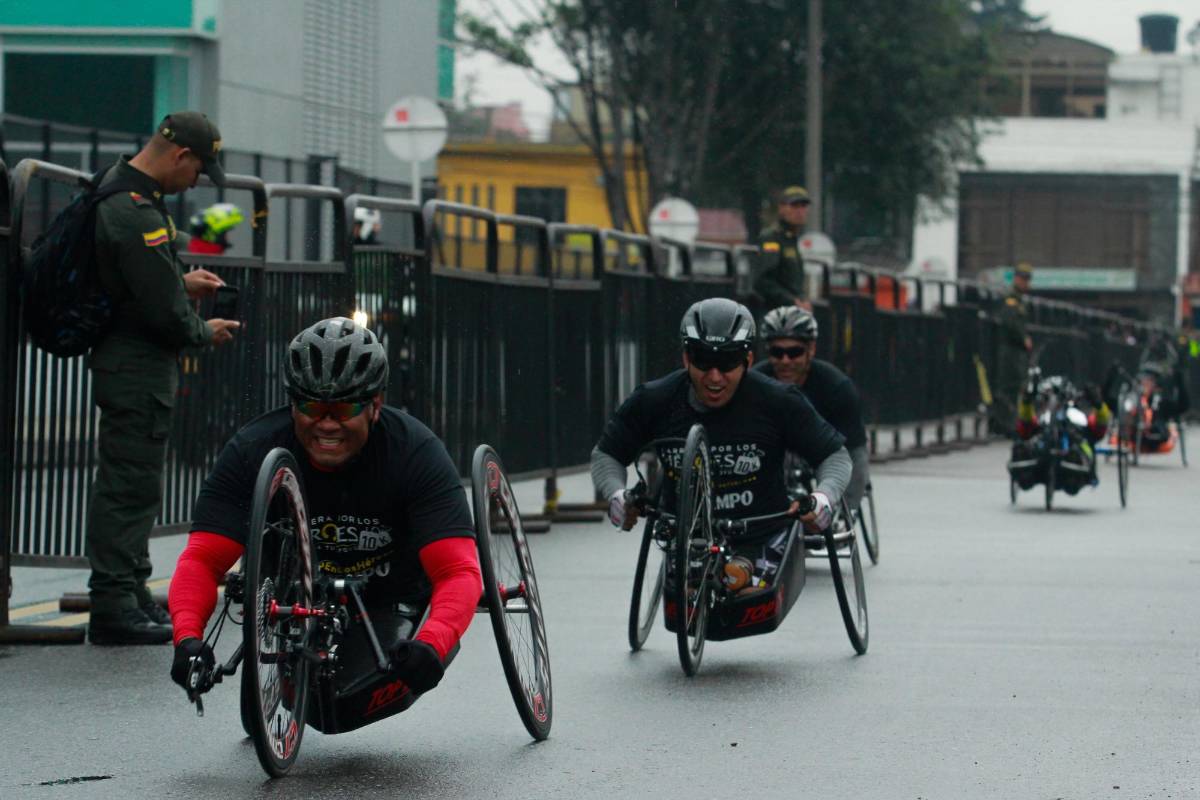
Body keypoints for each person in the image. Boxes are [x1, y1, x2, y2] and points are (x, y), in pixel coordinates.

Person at [168, 317, 481, 702]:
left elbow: (458, 570)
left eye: (345, 407)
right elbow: (203, 558)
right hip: (292, 595)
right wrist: (187, 638)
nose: (327, 424)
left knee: (354, 698)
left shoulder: (416, 453)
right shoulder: (252, 450)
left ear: (375, 406)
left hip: (388, 590)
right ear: (292, 402)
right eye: (312, 406)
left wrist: (433, 642)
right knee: (313, 702)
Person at [86, 111, 242, 646]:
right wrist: (203, 330)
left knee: (138, 484)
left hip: (133, 363)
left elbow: (144, 280)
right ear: (180, 156)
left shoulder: (123, 191)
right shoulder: (133, 211)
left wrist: (182, 279)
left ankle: (129, 592)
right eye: (199, 171)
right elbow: (159, 309)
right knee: (127, 486)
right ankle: (112, 603)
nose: (196, 183)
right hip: (134, 366)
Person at [591, 298, 851, 590]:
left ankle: (741, 570)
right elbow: (606, 454)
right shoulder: (654, 399)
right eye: (702, 361)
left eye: (727, 363)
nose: (714, 377)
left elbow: (835, 456)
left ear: (748, 361)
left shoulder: (779, 400)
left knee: (740, 583)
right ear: (686, 358)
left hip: (761, 532)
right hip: (686, 535)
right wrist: (616, 496)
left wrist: (824, 497)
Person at [753, 306, 870, 511]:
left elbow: (855, 453)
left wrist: (846, 510)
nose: (785, 361)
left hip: (822, 451)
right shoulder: (754, 382)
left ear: (811, 350)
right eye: (777, 352)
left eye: (794, 352)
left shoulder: (837, 388)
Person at [990, 261, 1033, 436]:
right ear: (1016, 279)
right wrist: (1023, 338)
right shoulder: (1011, 300)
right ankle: (1004, 424)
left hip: (1017, 352)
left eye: (1027, 279)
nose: (1026, 283)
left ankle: (1010, 423)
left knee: (1016, 388)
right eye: (1023, 279)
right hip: (1010, 351)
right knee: (1008, 387)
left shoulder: (1020, 301)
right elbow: (1010, 323)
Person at [753, 186, 812, 310]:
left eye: (803, 206)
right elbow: (763, 281)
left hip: (791, 314)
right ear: (781, 208)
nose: (800, 211)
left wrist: (802, 299)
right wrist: (792, 301)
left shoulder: (792, 240)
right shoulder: (772, 238)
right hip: (774, 314)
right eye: (794, 206)